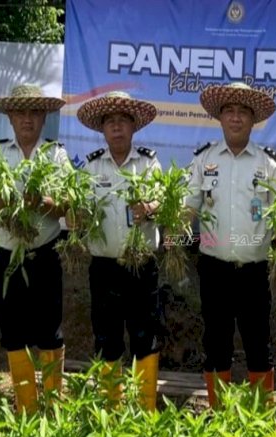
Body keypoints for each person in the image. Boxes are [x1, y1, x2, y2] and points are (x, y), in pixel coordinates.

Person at [186, 82, 276, 408]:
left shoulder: (269, 163)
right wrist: (171, 231)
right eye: (230, 111)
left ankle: (261, 417)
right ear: (220, 117)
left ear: (253, 120)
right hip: (214, 267)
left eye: (244, 112)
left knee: (258, 342)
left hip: (255, 268)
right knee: (216, 341)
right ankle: (218, 413)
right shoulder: (203, 159)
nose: (236, 118)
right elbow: (189, 208)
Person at [0, 84, 68, 414]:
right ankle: (26, 407)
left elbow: (69, 206)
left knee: (50, 331)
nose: (27, 119)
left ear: (43, 117)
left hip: (45, 253)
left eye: (34, 112)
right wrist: (8, 202)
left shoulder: (56, 155)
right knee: (12, 330)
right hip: (6, 255)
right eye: (21, 113)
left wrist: (45, 203)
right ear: (10, 117)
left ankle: (53, 406)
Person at [75, 91, 163, 411]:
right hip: (104, 267)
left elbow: (161, 200)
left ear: (133, 127)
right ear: (102, 129)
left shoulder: (149, 161)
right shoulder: (91, 166)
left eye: (122, 121)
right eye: (110, 122)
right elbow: (78, 212)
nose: (116, 127)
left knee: (145, 336)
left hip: (141, 265)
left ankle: (145, 409)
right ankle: (111, 410)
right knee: (107, 337)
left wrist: (149, 207)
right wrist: (76, 216)